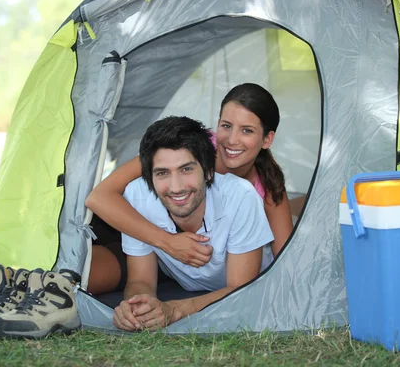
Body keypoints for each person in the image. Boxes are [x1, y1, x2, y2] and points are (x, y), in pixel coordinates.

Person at [85, 83, 300, 295]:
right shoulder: (188, 149)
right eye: (226, 126)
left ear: (267, 139)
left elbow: (286, 263)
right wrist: (168, 243)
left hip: (188, 257)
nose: (232, 140)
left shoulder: (267, 187)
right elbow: (99, 197)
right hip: (143, 225)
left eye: (247, 130)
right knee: (83, 256)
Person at [112, 116, 274, 330]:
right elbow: (141, 280)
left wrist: (176, 310)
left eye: (186, 169)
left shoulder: (241, 195)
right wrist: (137, 306)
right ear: (149, 178)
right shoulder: (137, 196)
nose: (176, 187)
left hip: (264, 269)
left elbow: (240, 290)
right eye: (162, 173)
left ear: (208, 172)